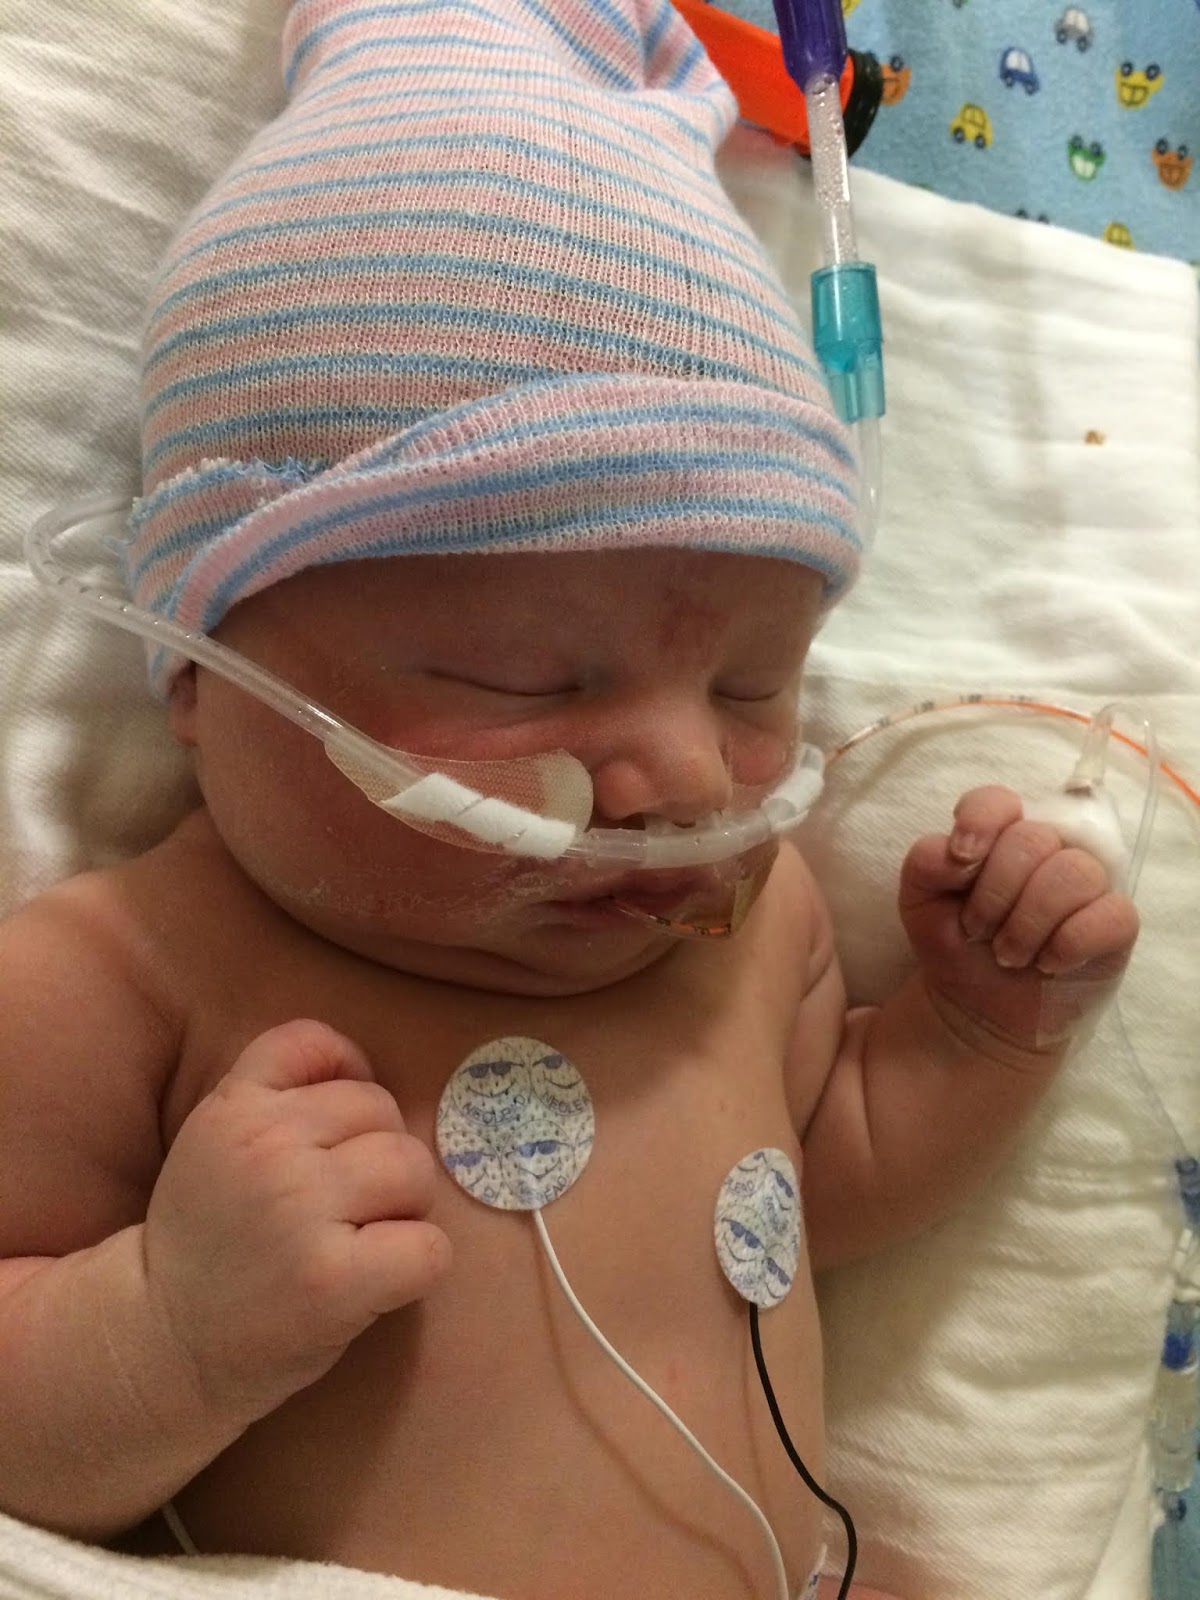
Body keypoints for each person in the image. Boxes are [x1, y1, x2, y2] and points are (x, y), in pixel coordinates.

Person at [0, 3, 1138, 1598]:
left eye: (751, 687)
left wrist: (979, 1032)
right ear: (198, 665)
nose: (687, 781)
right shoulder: (117, 979)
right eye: (530, 681)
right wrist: (169, 1331)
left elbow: (832, 1184)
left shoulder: (753, 939)